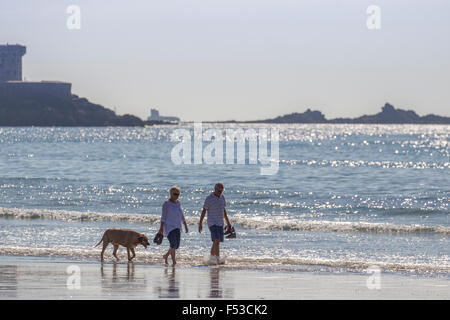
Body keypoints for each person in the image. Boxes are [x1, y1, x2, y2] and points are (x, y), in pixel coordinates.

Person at [199, 182, 232, 264]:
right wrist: (200, 223)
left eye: (222, 191)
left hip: (220, 222)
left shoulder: (222, 197)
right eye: (219, 190)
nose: (220, 192)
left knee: (216, 242)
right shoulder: (209, 198)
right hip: (212, 222)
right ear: (215, 189)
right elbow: (204, 210)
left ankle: (211, 258)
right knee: (216, 240)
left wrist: (228, 222)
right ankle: (217, 260)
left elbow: (224, 210)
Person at [158, 186, 189, 266]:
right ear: (171, 194)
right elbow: (163, 216)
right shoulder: (166, 204)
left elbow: (181, 214)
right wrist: (161, 228)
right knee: (173, 244)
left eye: (178, 194)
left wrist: (185, 225)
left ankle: (166, 256)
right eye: (175, 194)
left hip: (177, 226)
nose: (177, 196)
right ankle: (174, 262)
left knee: (176, 245)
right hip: (169, 227)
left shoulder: (178, 203)